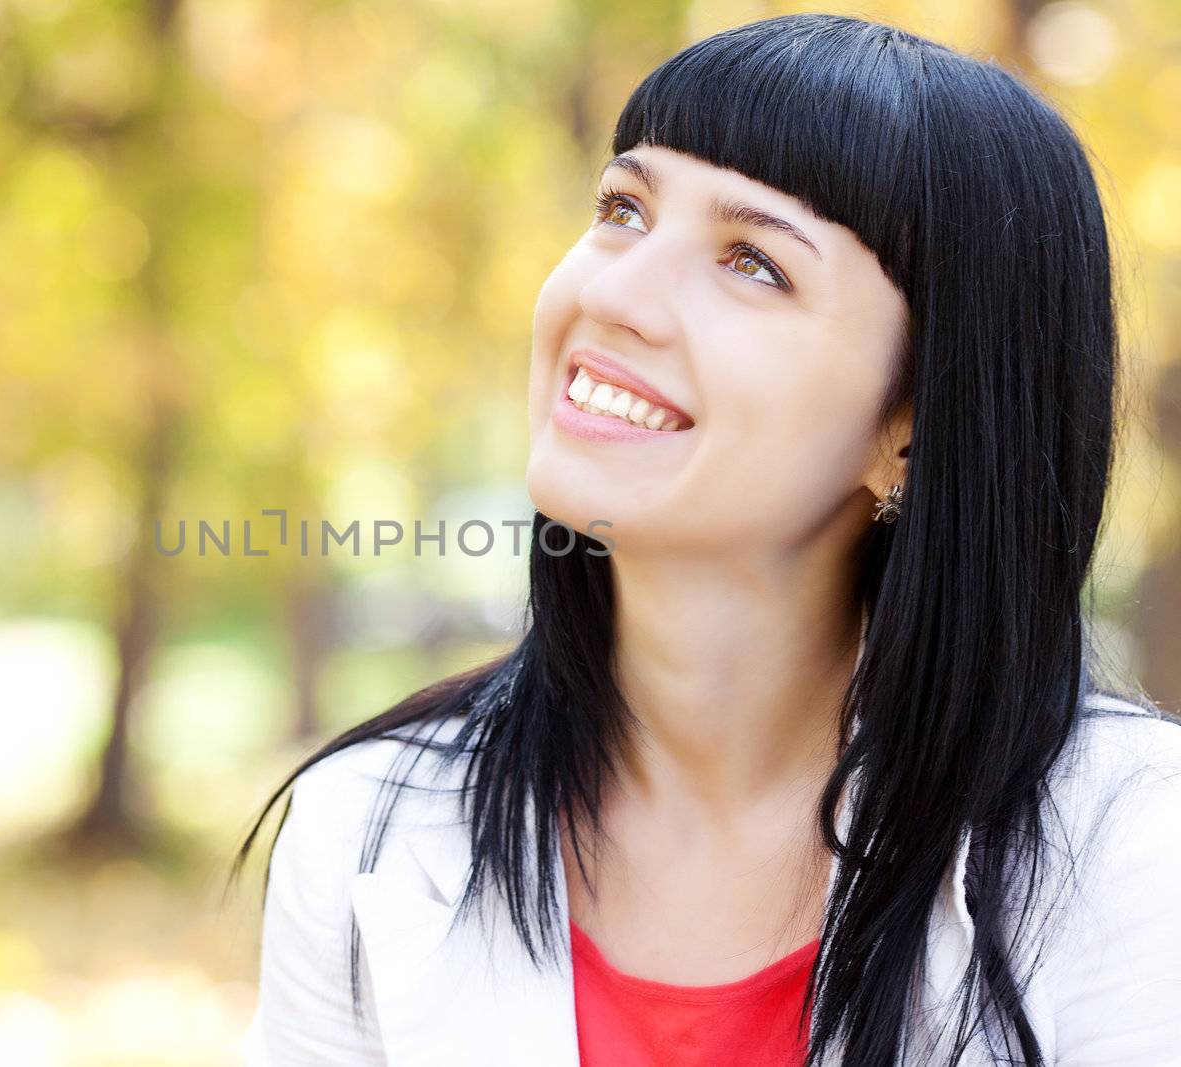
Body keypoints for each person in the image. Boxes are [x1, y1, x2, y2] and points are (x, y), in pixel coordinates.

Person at [230, 13, 1181, 1066]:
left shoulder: (1129, 853)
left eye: (753, 263)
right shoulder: (369, 826)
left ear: (909, 432)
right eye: (623, 209)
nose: (614, 292)